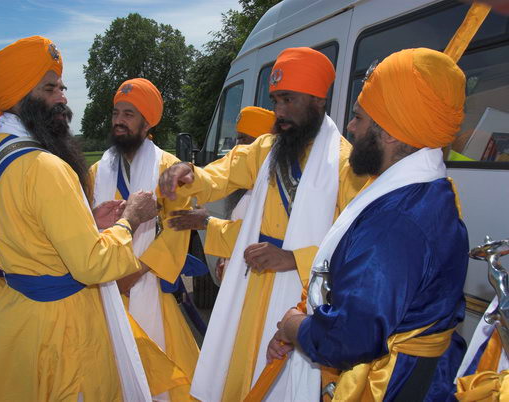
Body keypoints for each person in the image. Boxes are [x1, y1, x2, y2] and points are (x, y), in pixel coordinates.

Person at [159, 47, 367, 401]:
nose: (279, 112)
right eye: (275, 100)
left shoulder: (346, 163)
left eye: (288, 99)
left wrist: (292, 258)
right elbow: (219, 176)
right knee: (242, 375)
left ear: (318, 100)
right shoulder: (266, 149)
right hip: (252, 291)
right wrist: (187, 174)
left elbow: (358, 244)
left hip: (302, 299)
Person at [0, 36, 158, 401]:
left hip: (18, 319)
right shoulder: (45, 167)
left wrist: (86, 222)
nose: (63, 98)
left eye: (61, 87)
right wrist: (129, 219)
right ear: (20, 97)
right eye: (50, 89)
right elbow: (92, 266)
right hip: (61, 329)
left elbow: (24, 228)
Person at [265, 48, 470, 401]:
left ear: (389, 133)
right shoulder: (427, 192)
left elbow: (349, 337)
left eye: (359, 117)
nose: (351, 127)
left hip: (394, 385)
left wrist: (294, 327)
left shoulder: (396, 221)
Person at [88, 77, 200, 400]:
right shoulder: (97, 172)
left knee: (159, 379)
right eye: (116, 113)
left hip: (147, 285)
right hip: (104, 290)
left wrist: (132, 273)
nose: (119, 121)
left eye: (129, 114)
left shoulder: (168, 168)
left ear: (147, 122)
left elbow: (178, 231)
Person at [169, 106, 276, 281]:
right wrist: (225, 258)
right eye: (237, 140)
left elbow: (255, 238)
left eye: (244, 140)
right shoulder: (243, 184)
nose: (238, 148)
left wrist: (206, 223)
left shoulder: (271, 190)